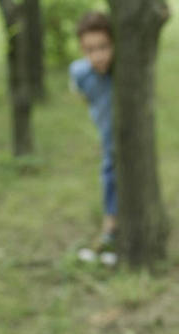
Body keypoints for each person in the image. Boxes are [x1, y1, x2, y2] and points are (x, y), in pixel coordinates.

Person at [69, 11, 117, 266]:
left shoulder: (122, 72)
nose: (98, 56)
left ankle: (109, 235)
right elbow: (82, 95)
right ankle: (111, 235)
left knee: (112, 178)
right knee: (110, 176)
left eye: (103, 47)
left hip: (123, 142)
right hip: (107, 138)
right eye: (90, 49)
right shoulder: (80, 73)